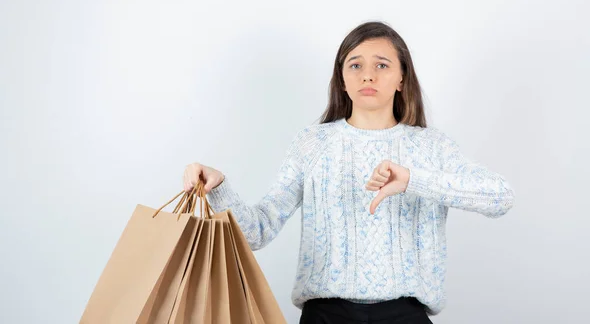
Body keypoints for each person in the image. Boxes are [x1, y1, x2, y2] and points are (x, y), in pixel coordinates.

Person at [182, 21, 515, 323]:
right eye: (355, 65)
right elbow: (258, 231)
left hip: (404, 315)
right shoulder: (313, 143)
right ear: (342, 78)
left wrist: (413, 179)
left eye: (381, 65)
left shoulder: (430, 147)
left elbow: (500, 197)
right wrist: (219, 187)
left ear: (402, 78)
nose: (367, 75)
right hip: (326, 316)